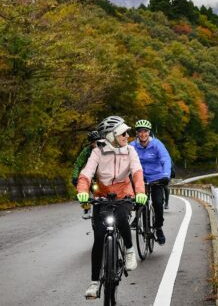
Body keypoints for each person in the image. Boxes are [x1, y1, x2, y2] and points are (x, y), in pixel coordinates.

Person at [76, 116, 147, 299]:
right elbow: (86, 173)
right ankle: (94, 283)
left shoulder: (130, 150)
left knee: (122, 218)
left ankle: (130, 251)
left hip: (124, 194)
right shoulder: (98, 152)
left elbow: (137, 172)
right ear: (111, 135)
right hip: (102, 196)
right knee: (99, 237)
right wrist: (83, 190)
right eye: (123, 132)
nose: (127, 135)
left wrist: (140, 191)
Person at [130, 119, 172, 245]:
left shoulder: (157, 144)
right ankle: (139, 214)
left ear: (149, 132)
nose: (143, 134)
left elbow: (165, 159)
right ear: (137, 133)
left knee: (158, 203)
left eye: (145, 132)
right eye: (140, 132)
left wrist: (166, 175)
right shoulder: (132, 146)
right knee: (136, 200)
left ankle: (158, 228)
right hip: (140, 178)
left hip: (157, 177)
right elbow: (124, 161)